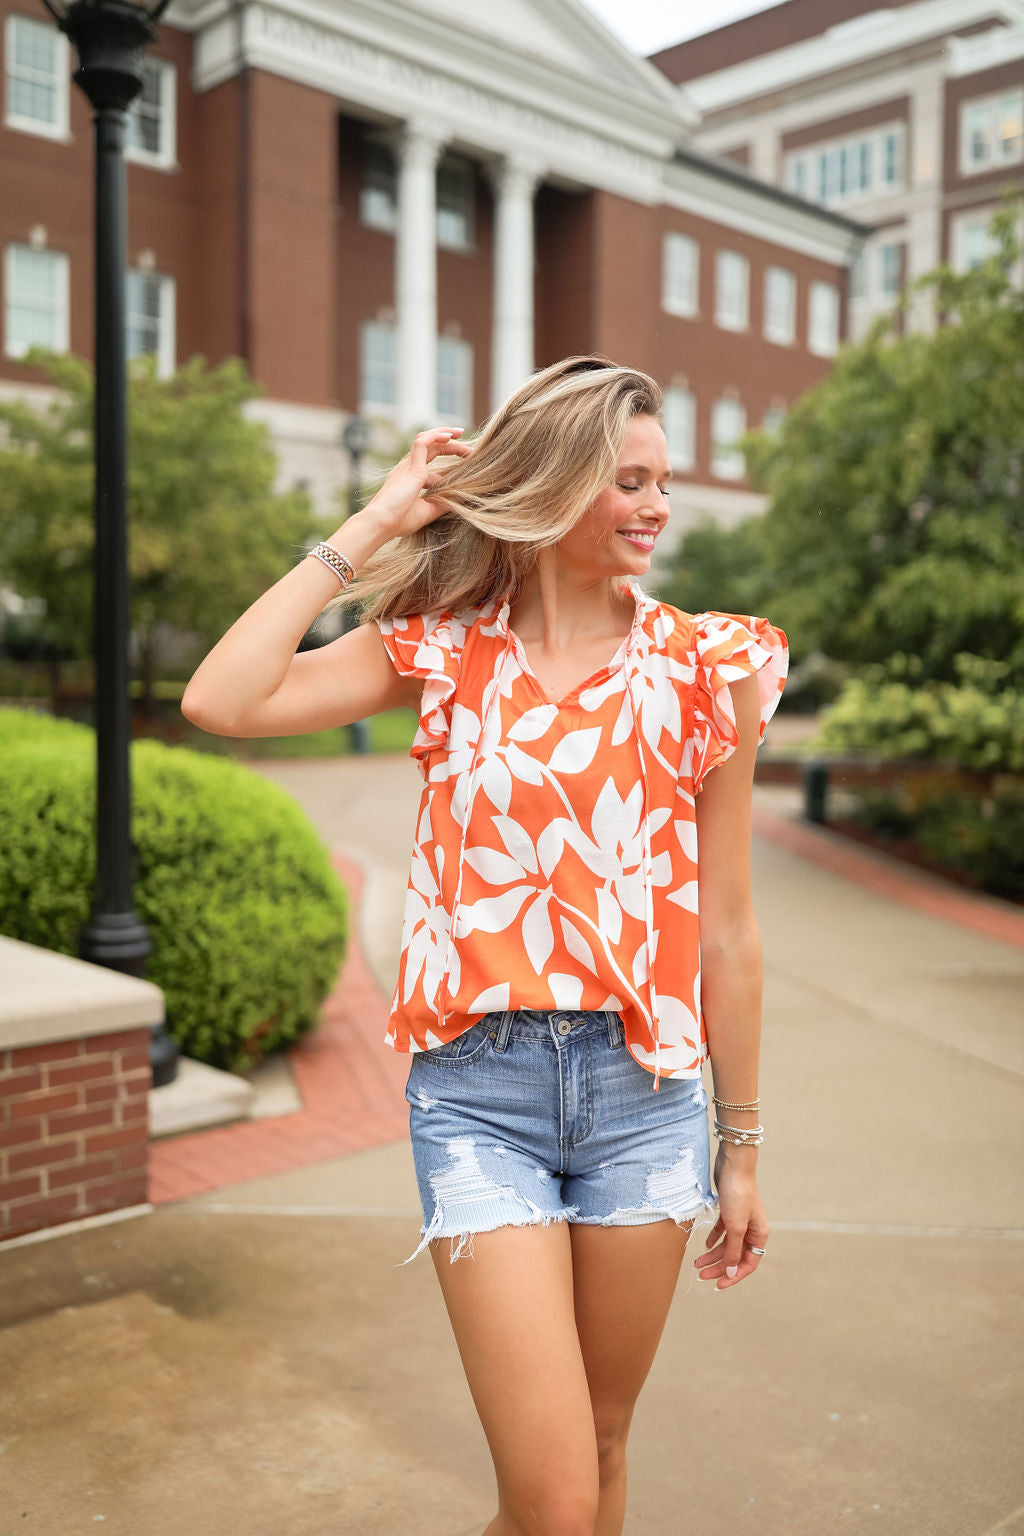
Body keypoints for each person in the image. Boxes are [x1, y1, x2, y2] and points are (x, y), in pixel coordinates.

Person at [182, 354, 788, 1536]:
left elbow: (728, 926)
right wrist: (371, 522)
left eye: (662, 482)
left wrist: (744, 1145)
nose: (655, 507)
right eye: (626, 480)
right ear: (555, 486)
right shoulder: (446, 649)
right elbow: (223, 700)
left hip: (643, 1096)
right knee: (554, 1500)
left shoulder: (711, 669)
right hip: (478, 1099)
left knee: (606, 1444)